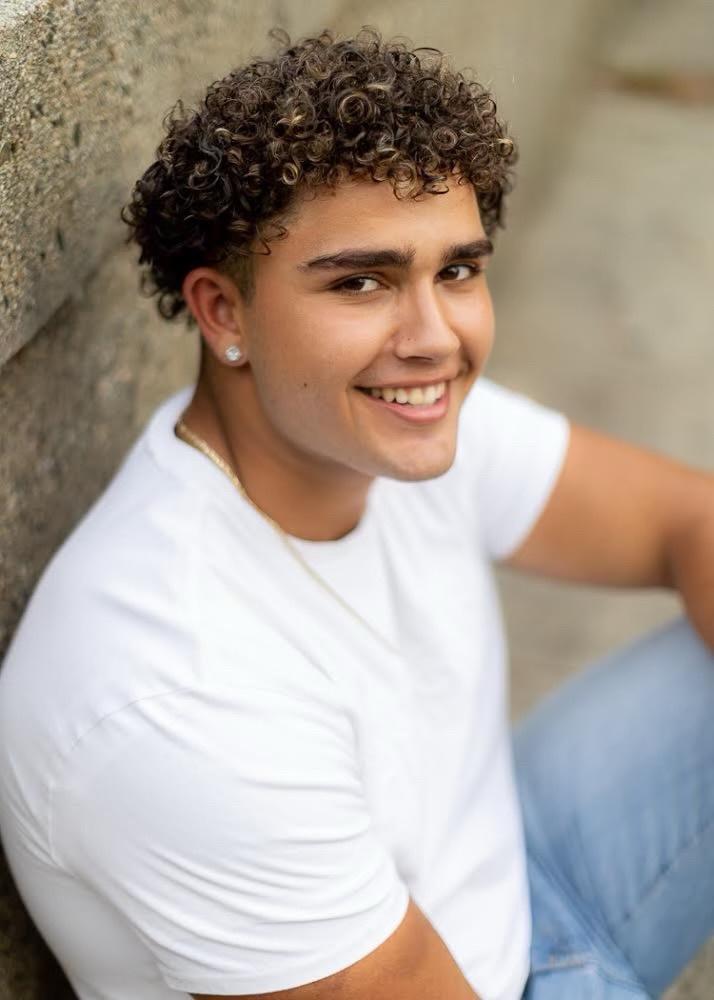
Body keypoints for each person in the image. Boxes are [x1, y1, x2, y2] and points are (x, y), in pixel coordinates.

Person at [0, 26, 712, 1000]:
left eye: (456, 270)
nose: (436, 338)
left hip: (522, 867)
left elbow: (686, 523)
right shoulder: (175, 691)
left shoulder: (385, 418)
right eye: (361, 281)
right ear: (223, 312)